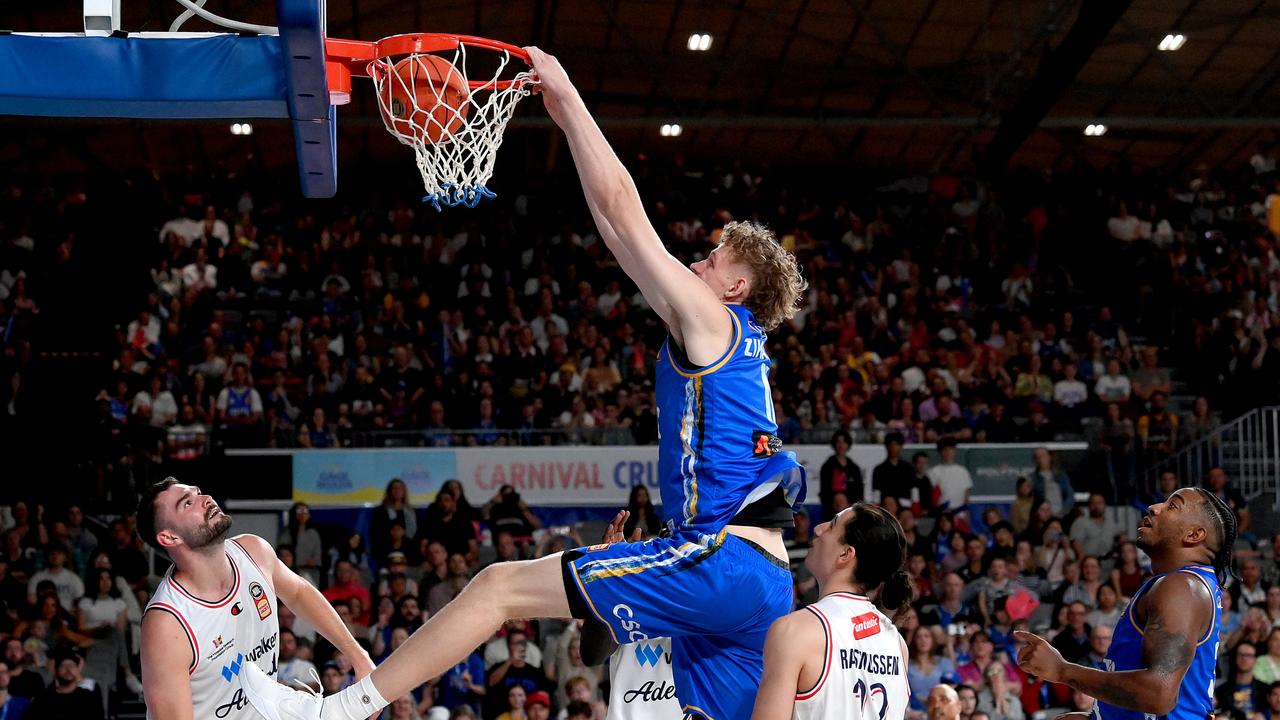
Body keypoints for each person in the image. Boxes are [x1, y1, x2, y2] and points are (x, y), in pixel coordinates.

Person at [239, 46, 808, 720]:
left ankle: (338, 710)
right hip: (767, 580)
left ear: (737, 287)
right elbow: (621, 238)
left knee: (497, 587)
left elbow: (626, 213)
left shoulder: (716, 318)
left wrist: (565, 100)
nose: (697, 261)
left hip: (724, 560)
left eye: (713, 259)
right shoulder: (746, 350)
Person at [136, 478, 374, 720]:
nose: (205, 499)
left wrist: (359, 657)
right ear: (169, 538)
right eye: (187, 503)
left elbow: (299, 593)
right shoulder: (166, 623)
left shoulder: (253, 550)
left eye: (198, 493)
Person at [1015, 487, 1236, 720]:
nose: (1154, 507)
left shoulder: (1182, 587)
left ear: (1194, 535)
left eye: (1173, 506)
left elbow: (1158, 694)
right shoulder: (1186, 584)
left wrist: (1062, 670)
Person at [750, 503, 912, 720]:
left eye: (832, 525)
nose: (818, 529)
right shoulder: (898, 644)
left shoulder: (795, 630)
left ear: (845, 554)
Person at [819, 430, 862, 518]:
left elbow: (859, 490)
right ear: (834, 444)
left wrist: (849, 505)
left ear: (848, 444)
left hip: (850, 511)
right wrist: (835, 502)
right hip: (831, 512)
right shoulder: (827, 466)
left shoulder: (854, 468)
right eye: (838, 442)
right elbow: (824, 490)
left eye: (844, 442)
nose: (841, 445)